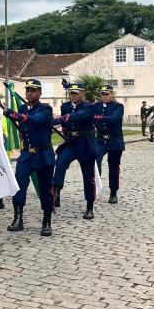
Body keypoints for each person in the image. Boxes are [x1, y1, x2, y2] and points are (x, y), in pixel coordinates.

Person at [4, 79, 55, 236]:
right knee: (19, 184)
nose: (29, 93)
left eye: (33, 90)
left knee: (45, 188)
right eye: (27, 90)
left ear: (40, 93)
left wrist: (13, 114)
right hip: (27, 154)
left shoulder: (45, 109)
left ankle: (46, 221)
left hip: (43, 154)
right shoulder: (23, 107)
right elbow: (24, 127)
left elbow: (34, 121)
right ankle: (18, 218)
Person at [51, 82, 98, 220]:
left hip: (85, 144)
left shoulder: (89, 107)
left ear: (83, 94)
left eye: (76, 93)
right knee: (59, 164)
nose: (73, 95)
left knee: (88, 177)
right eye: (71, 93)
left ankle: (89, 207)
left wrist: (60, 119)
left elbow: (79, 116)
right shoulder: (65, 106)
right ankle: (57, 191)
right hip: (71, 142)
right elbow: (66, 124)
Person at [93, 84, 124, 204]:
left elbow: (114, 119)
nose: (105, 96)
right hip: (101, 139)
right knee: (95, 159)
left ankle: (113, 192)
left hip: (115, 140)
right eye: (102, 94)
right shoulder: (96, 106)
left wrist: (96, 117)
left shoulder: (118, 106)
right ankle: (96, 187)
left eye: (107, 94)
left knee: (113, 166)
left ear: (112, 94)